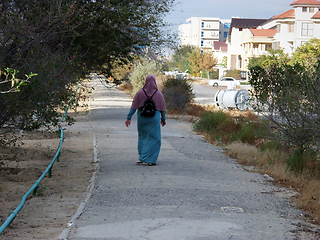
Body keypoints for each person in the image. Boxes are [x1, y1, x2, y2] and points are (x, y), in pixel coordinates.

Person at [125, 74, 166, 166]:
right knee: (155, 138)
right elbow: (163, 108)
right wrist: (163, 119)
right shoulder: (158, 94)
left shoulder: (140, 93)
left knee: (142, 137)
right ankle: (151, 160)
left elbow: (134, 106)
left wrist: (128, 118)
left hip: (142, 118)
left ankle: (142, 157)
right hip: (154, 118)